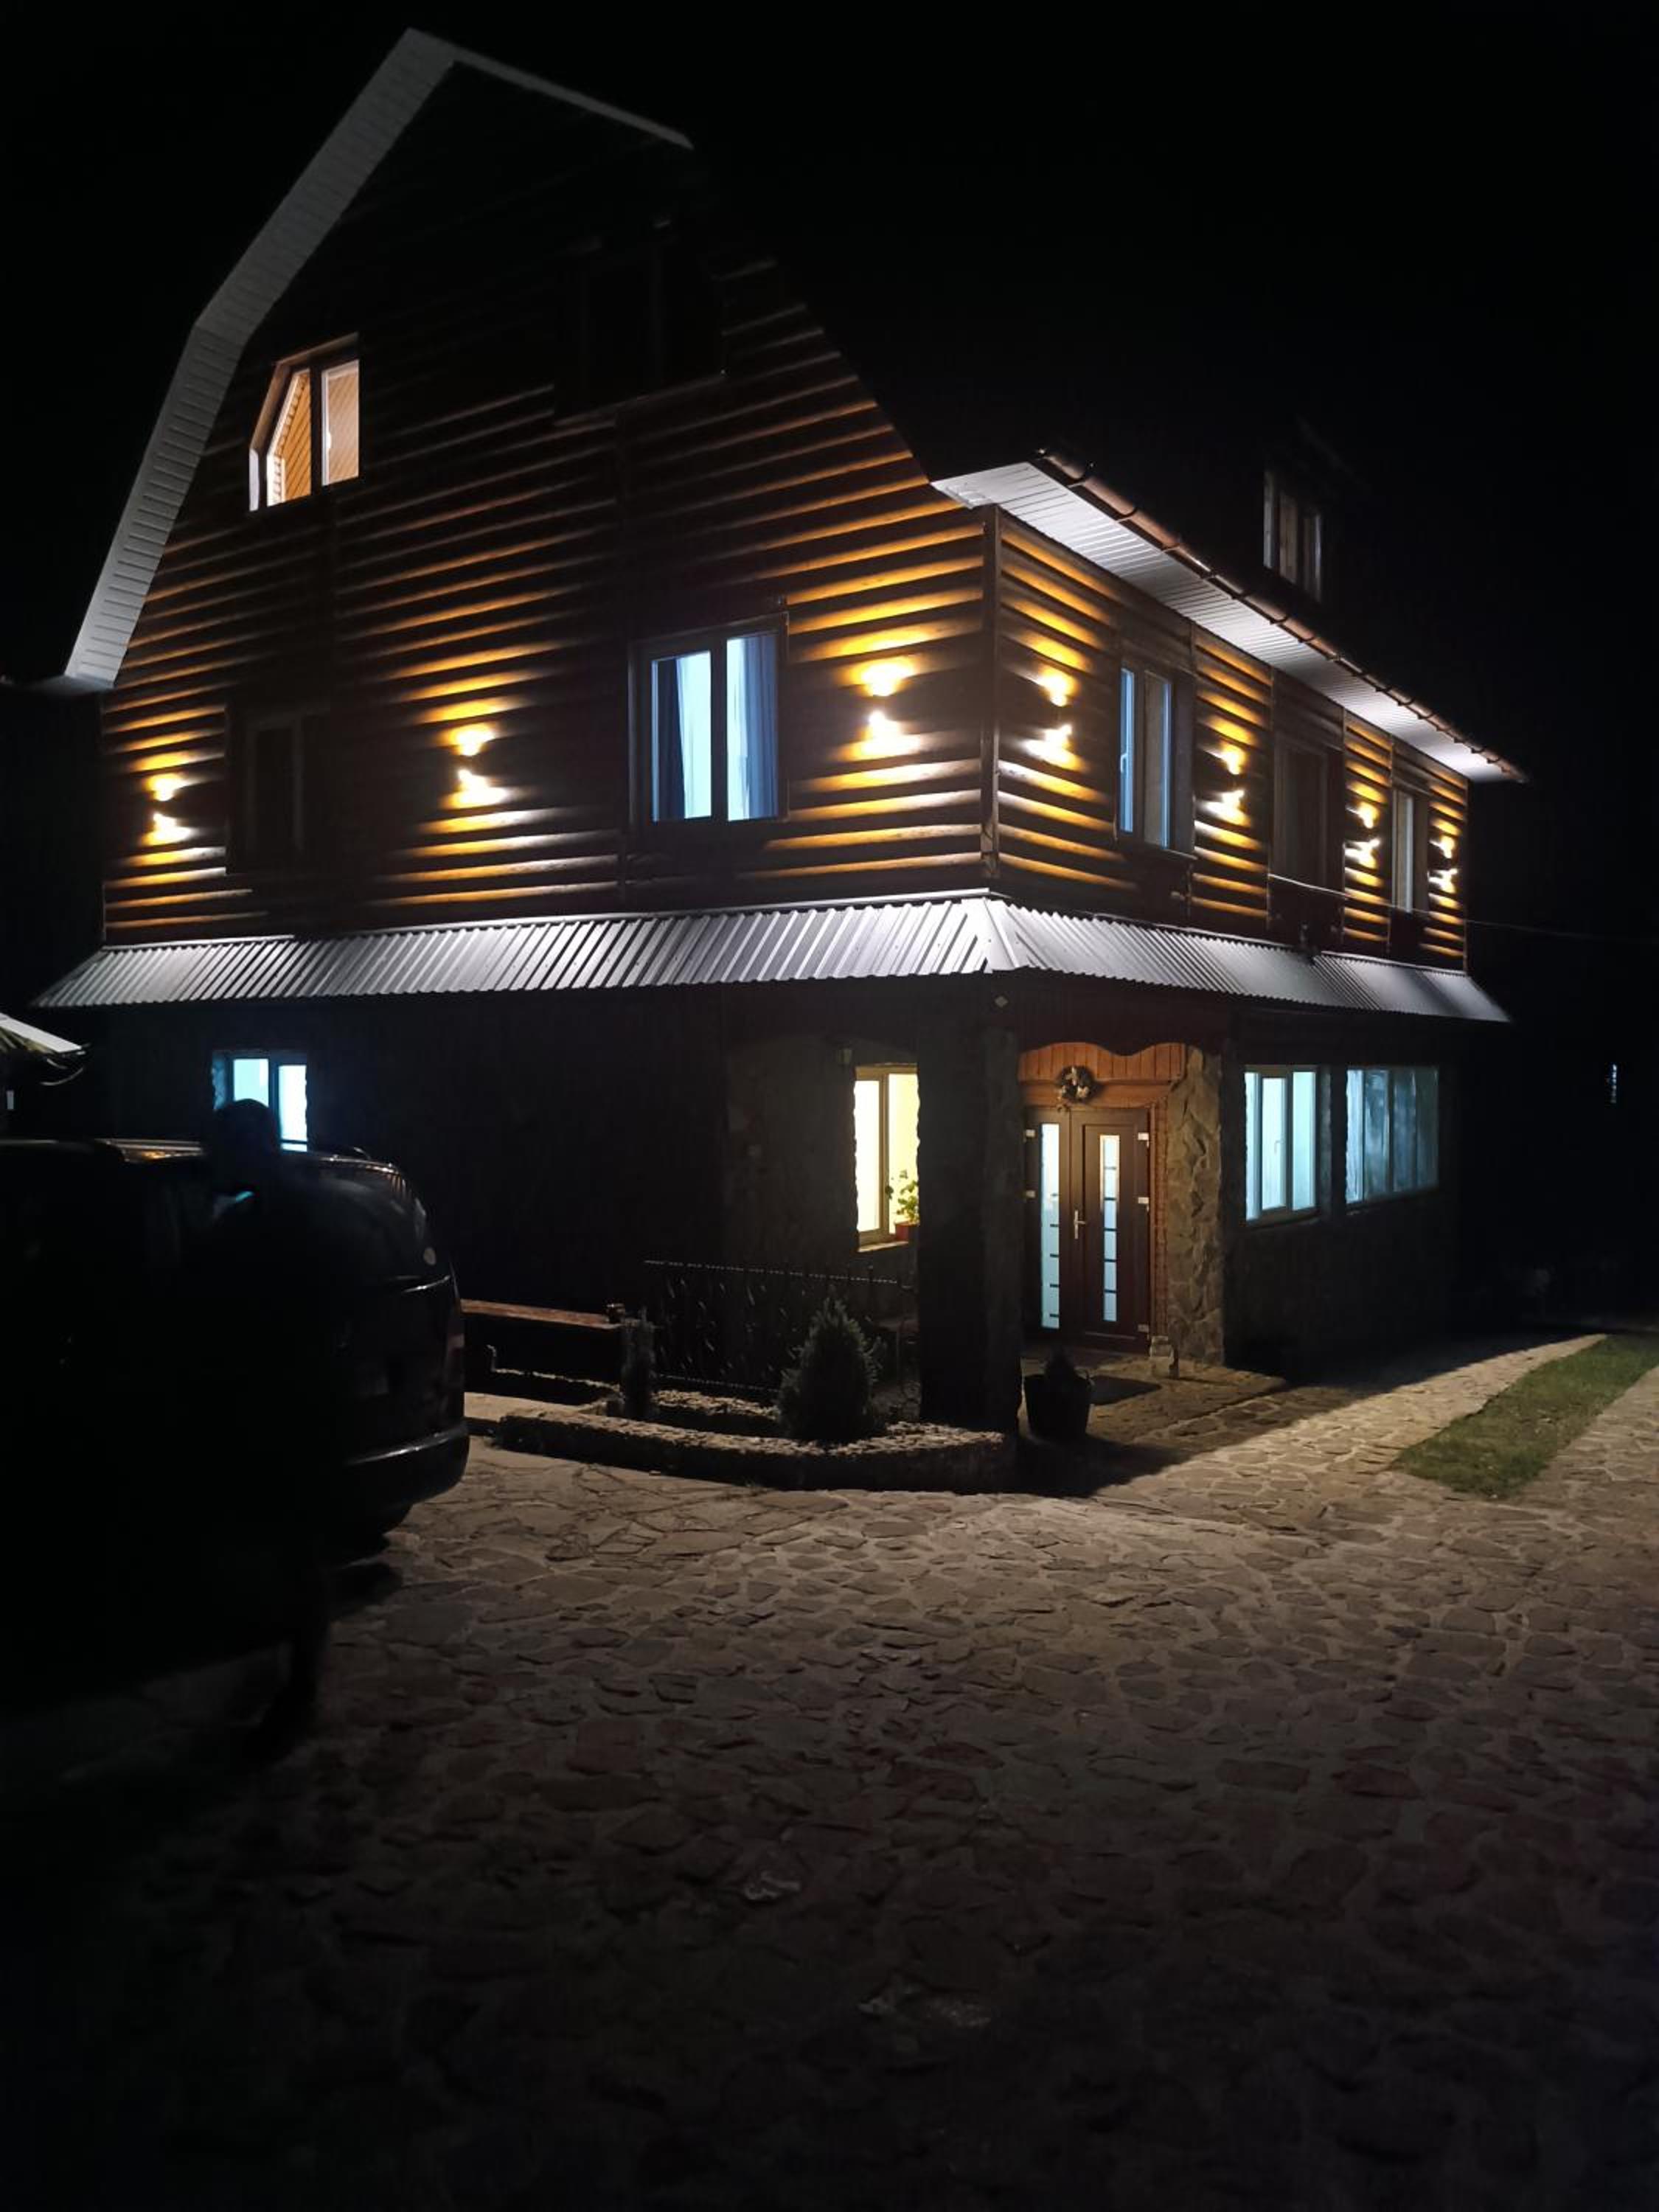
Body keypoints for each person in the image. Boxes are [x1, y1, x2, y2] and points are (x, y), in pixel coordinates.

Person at [193, 1098, 332, 1750]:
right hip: (296, 1406)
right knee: (290, 1549)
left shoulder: (257, 1226)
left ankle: (293, 1686)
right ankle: (287, 1676)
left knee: (287, 1551)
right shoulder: (303, 1211)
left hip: (277, 1410)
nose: (209, 1162)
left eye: (218, 1149)